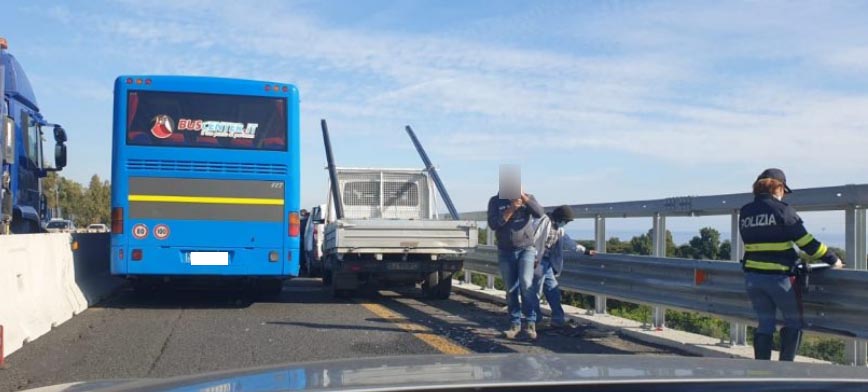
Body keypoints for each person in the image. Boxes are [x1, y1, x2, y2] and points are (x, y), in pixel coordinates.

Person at [740, 168, 843, 361]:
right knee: (794, 322)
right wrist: (833, 259)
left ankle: (761, 372)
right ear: (778, 188)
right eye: (784, 190)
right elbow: (806, 242)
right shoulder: (783, 210)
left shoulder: (745, 212)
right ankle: (785, 370)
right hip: (780, 279)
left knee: (765, 325)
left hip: (753, 278)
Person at [488, 190, 545, 340]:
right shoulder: (495, 201)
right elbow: (493, 224)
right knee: (510, 288)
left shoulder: (528, 198)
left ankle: (531, 322)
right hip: (505, 250)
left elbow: (539, 213)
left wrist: (524, 198)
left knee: (526, 283)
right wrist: (511, 209)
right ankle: (515, 324)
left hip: (526, 248)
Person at [531, 205, 594, 330]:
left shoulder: (559, 229)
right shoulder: (543, 222)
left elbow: (568, 242)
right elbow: (532, 239)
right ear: (560, 218)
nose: (566, 223)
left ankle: (557, 319)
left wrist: (585, 251)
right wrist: (532, 258)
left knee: (553, 290)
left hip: (548, 262)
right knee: (535, 291)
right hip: (538, 261)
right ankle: (534, 321)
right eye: (566, 221)